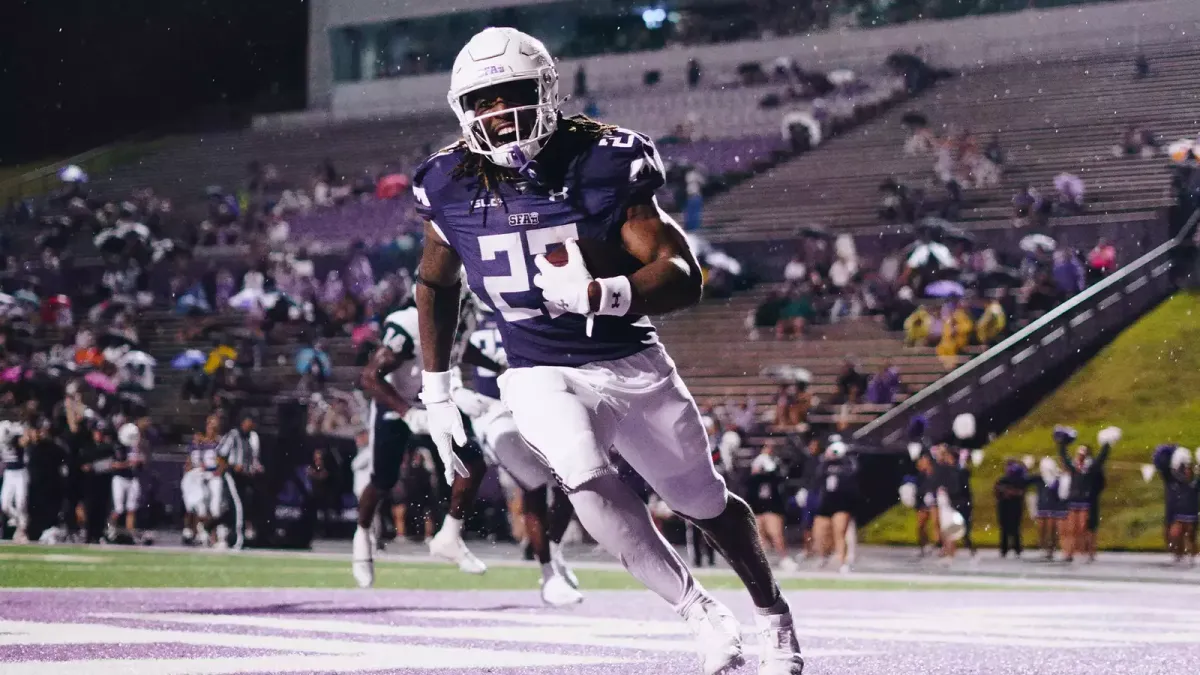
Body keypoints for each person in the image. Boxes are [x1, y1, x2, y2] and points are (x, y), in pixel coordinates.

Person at [411, 27, 803, 675]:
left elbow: (681, 272)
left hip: (630, 362)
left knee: (703, 502)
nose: (499, 114)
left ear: (545, 92)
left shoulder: (601, 159)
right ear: (462, 109)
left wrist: (605, 292)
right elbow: (434, 281)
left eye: (511, 95)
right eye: (483, 101)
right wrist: (437, 389)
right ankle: (698, 611)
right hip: (537, 367)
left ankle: (771, 611)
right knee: (582, 475)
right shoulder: (446, 180)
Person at [354, 293, 502, 587]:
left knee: (472, 463)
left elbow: (458, 349)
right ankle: (362, 534)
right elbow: (370, 378)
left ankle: (449, 535)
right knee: (383, 480)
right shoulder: (408, 324)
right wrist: (407, 412)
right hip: (396, 403)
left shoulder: (461, 319)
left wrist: (497, 365)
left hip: (433, 400)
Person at [456, 302, 583, 606]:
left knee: (574, 479)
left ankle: (552, 552)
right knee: (535, 482)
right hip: (491, 410)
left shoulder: (524, 303)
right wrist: (455, 390)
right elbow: (441, 353)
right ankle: (549, 574)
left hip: (533, 404)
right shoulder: (465, 311)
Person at [1055, 426, 1116, 564]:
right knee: (1071, 528)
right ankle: (1069, 553)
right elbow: (1064, 458)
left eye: (1083, 454)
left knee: (1083, 527)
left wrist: (1106, 445)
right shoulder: (1074, 467)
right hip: (1074, 499)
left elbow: (1101, 458)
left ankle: (1086, 551)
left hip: (1085, 500)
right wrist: (1062, 444)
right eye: (1079, 454)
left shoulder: (1091, 467)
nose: (1080, 456)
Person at [748, 441, 796, 572]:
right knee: (759, 536)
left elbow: (779, 479)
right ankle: (763, 562)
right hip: (758, 505)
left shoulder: (776, 463)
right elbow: (750, 482)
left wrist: (770, 468)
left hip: (772, 505)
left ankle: (784, 558)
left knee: (775, 533)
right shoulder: (757, 463)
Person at [812, 440, 858, 573]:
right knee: (819, 533)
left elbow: (853, 473)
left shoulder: (847, 464)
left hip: (841, 502)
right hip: (826, 501)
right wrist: (826, 459)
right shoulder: (825, 465)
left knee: (839, 532)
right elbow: (817, 476)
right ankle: (823, 556)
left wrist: (842, 457)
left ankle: (843, 562)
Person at [1154, 445, 1200, 565]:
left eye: (1189, 468)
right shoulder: (1173, 480)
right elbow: (1163, 468)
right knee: (1174, 535)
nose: (1187, 471)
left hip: (1191, 514)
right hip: (1176, 513)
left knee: (1190, 536)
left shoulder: (1195, 483)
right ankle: (1179, 555)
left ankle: (1192, 557)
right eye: (1184, 468)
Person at [1032, 456, 1067, 561]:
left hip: (1053, 507)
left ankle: (1051, 549)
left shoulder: (1057, 478)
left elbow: (1060, 491)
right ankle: (1043, 547)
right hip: (1042, 507)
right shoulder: (1039, 478)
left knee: (1052, 529)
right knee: (1042, 528)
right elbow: (1026, 480)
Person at [0, 421, 30, 543]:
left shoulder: (16, 437)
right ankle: (19, 521)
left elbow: (25, 441)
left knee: (20, 503)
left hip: (20, 473)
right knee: (5, 505)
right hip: (8, 474)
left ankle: (22, 531)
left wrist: (18, 433)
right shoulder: (2, 442)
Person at [994, 459, 1029, 558]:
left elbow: (1021, 492)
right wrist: (1004, 492)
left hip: (1015, 506)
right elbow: (997, 491)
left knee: (1015, 528)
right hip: (1004, 506)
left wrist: (1011, 492)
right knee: (1004, 529)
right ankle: (1004, 549)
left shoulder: (1020, 480)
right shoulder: (1002, 480)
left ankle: (1016, 548)